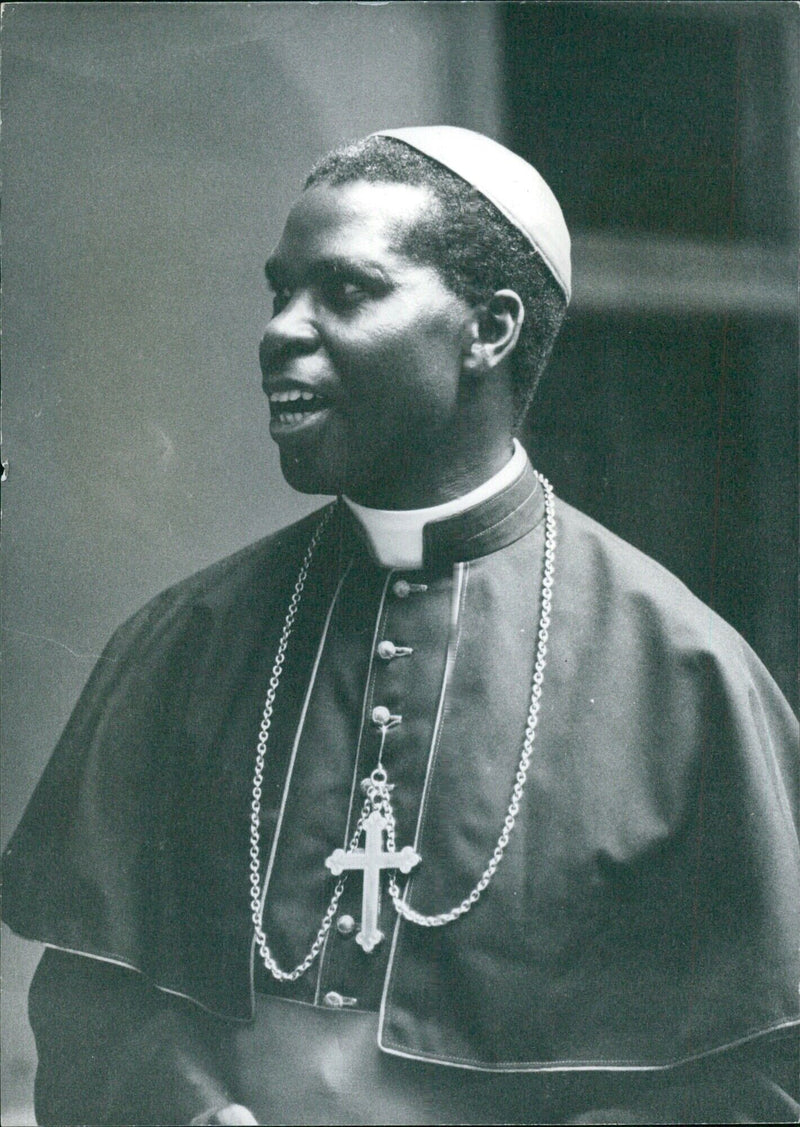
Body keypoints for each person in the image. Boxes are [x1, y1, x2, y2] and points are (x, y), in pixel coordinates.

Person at [3, 126, 798, 1126]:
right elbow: (91, 999)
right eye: (277, 292)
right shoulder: (187, 639)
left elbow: (756, 1081)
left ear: (488, 330)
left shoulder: (683, 675)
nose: (280, 331)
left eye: (343, 292)